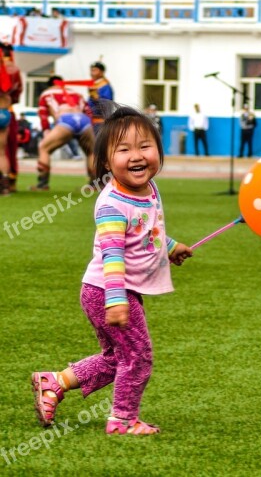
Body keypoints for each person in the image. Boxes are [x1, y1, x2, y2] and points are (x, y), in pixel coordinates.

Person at [30, 106, 193, 435]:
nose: (137, 156)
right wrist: (116, 299)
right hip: (108, 290)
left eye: (145, 146)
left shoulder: (148, 189)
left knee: (118, 357)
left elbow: (146, 231)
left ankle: (54, 382)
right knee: (139, 357)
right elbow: (112, 254)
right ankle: (122, 419)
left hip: (111, 291)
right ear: (105, 162)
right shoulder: (111, 204)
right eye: (124, 149)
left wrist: (170, 246)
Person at [32, 75, 95, 191]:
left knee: (44, 148)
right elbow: (88, 111)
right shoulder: (76, 93)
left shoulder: (46, 93)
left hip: (66, 120)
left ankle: (42, 184)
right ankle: (94, 185)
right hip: (83, 120)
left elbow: (43, 114)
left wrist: (46, 130)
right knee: (91, 151)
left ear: (50, 84)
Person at [0, 43, 21, 196]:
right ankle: (6, 186)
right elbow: (16, 94)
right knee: (2, 152)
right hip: (6, 112)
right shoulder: (13, 69)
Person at [87, 61, 113, 133]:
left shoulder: (105, 87)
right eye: (91, 70)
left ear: (101, 72)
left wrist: (96, 97)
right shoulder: (94, 85)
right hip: (91, 120)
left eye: (95, 70)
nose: (92, 73)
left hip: (100, 121)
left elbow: (106, 105)